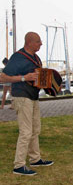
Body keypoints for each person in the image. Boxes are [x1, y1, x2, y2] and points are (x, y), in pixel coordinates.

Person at [0, 32, 54, 176]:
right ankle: (18, 165)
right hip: (22, 97)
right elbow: (2, 77)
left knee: (35, 129)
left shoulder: (36, 58)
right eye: (38, 41)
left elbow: (37, 78)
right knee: (25, 131)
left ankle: (35, 159)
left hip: (33, 96)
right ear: (29, 42)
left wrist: (48, 85)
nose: (41, 44)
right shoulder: (18, 57)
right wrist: (24, 78)